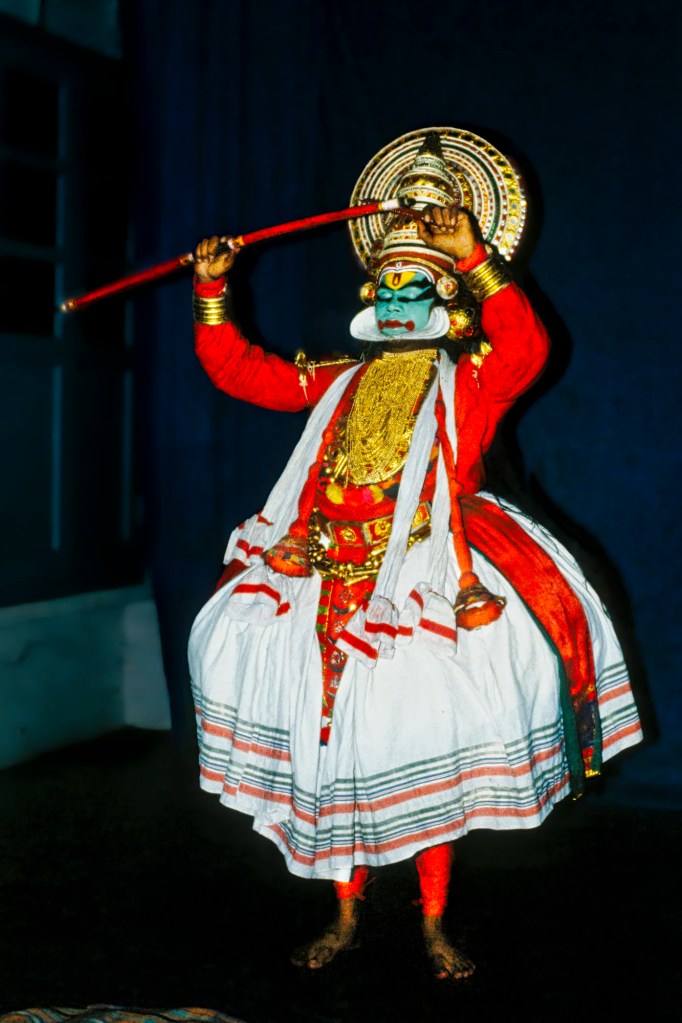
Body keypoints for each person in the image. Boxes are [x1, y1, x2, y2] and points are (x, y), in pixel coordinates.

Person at [187, 130, 642, 980]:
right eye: (390, 280)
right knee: (330, 751)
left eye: (419, 282)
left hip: (424, 586)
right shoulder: (337, 379)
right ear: (370, 290)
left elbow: (527, 353)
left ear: (448, 299)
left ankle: (432, 921)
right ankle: (347, 911)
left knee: (413, 749)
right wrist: (213, 291)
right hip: (319, 577)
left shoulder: (469, 380)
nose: (399, 294)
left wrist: (477, 257)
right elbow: (244, 374)